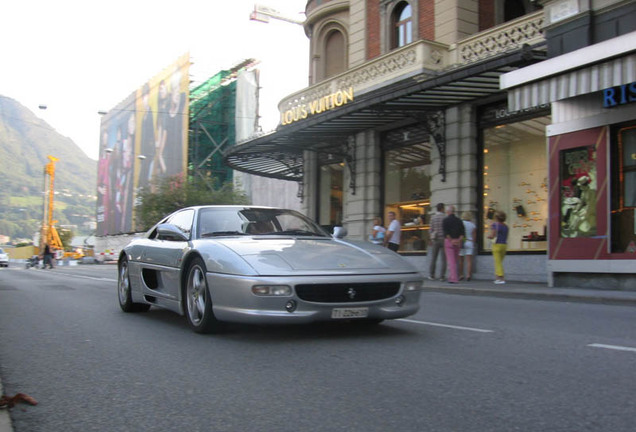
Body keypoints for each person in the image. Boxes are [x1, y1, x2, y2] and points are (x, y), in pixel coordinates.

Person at [442, 205, 465, 283]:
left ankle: (453, 278)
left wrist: (451, 240)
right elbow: (462, 232)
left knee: (451, 260)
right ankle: (453, 276)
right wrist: (458, 240)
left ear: (448, 212)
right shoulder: (459, 220)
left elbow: (446, 232)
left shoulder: (445, 220)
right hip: (458, 241)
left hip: (449, 242)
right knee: (455, 260)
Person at [488, 210, 509, 284]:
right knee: (500, 262)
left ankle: (501, 278)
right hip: (504, 245)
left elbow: (492, 235)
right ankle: (497, 278)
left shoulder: (495, 225)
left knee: (497, 262)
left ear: (496, 217)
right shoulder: (506, 226)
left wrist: (489, 236)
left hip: (497, 245)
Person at [428, 203, 447, 281]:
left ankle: (432, 275)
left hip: (435, 239)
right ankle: (442, 276)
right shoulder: (445, 217)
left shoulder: (433, 218)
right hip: (444, 239)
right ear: (442, 209)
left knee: (433, 258)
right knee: (444, 259)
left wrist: (430, 238)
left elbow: (430, 230)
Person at [458, 211, 476, 281]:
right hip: (469, 241)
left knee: (461, 260)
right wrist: (473, 243)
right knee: (469, 260)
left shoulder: (460, 223)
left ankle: (461, 274)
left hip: (462, 242)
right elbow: (474, 236)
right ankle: (468, 275)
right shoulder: (472, 225)